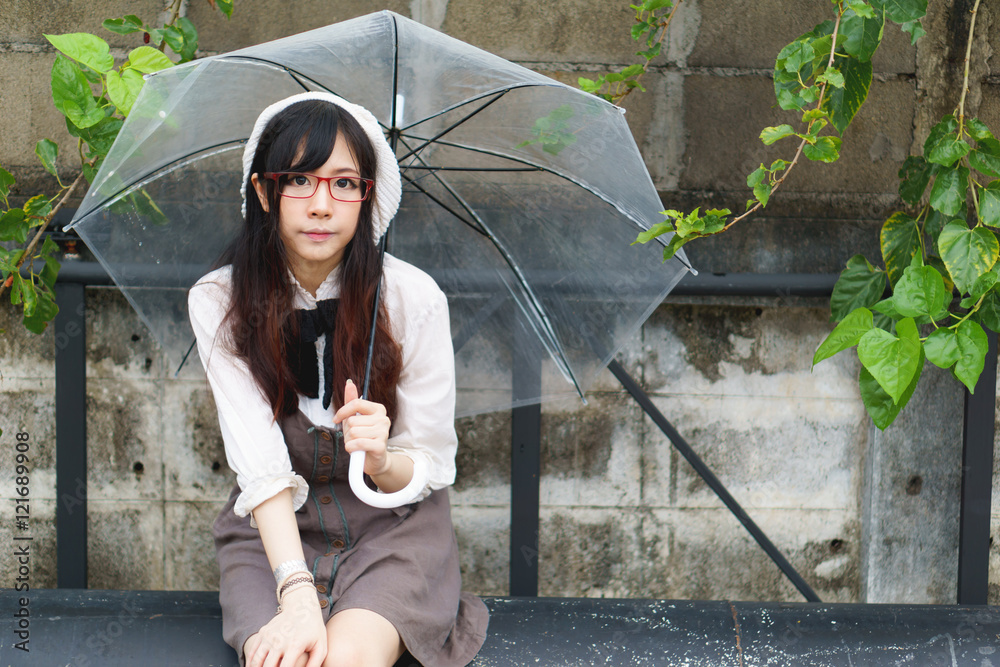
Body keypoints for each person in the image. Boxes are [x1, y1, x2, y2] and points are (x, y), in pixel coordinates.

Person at [188, 91, 489, 667]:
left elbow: (431, 462)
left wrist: (381, 459)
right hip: (275, 533)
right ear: (263, 192)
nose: (322, 206)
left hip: (392, 531)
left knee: (347, 659)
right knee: (284, 659)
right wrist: (296, 593)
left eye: (345, 183)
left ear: (368, 197)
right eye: (299, 180)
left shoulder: (412, 298)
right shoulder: (219, 300)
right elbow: (260, 463)